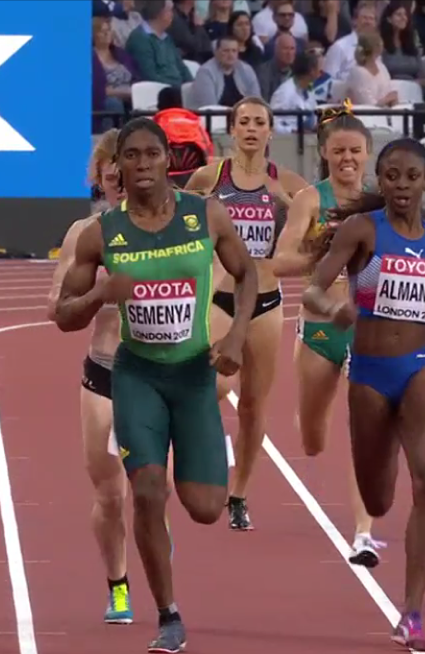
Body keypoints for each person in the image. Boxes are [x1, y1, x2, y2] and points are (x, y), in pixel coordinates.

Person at [53, 117, 258, 654]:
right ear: (117, 165)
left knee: (206, 506)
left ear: (168, 159)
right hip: (137, 375)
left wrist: (237, 335)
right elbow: (63, 315)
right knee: (146, 491)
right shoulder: (101, 234)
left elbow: (247, 273)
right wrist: (100, 295)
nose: (142, 164)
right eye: (131, 156)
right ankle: (168, 615)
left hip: (192, 376)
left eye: (151, 154)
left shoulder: (206, 214)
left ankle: (194, 464)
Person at [302, 138, 425, 652]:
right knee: (379, 499)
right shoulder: (362, 230)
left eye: (411, 177)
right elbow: (314, 288)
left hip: (419, 366)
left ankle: (412, 612)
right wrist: (334, 309)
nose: (401, 186)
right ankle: (387, 441)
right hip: (370, 374)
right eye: (391, 176)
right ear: (381, 179)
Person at [184, 96, 308, 531]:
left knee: (255, 405)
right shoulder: (210, 177)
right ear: (232, 129)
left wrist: (287, 203)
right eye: (245, 122)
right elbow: (178, 223)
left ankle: (238, 495)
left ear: (270, 131)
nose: (252, 129)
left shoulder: (288, 182)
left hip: (267, 303)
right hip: (220, 297)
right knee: (214, 384)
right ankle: (198, 453)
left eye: (259, 122)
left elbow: (318, 236)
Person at [273, 103, 385, 566]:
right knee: (313, 439)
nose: (347, 159)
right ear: (325, 153)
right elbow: (279, 262)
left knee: (365, 430)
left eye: (355, 151)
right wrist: (325, 254)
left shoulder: (379, 203)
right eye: (339, 151)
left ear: (367, 153)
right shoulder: (310, 201)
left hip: (365, 330)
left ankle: (364, 534)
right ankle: (308, 424)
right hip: (320, 331)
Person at [46, 130, 136, 625]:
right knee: (110, 494)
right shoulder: (86, 233)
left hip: (157, 373)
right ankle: (118, 586)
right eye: (110, 172)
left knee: (155, 489)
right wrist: (100, 291)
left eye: (127, 168)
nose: (120, 179)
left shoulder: (171, 228)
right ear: (99, 178)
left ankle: (158, 546)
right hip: (104, 372)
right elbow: (56, 306)